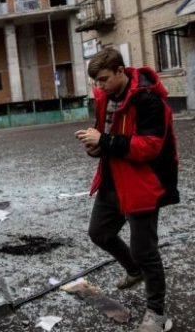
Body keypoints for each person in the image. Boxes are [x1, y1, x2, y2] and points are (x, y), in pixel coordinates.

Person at [75, 48, 178, 332]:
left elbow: (150, 147)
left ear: (121, 71)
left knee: (145, 250)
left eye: (105, 79)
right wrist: (94, 147)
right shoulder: (105, 98)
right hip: (113, 179)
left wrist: (105, 140)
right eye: (96, 82)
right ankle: (134, 271)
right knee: (100, 233)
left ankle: (156, 314)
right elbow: (104, 139)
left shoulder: (147, 99)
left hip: (144, 184)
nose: (101, 86)